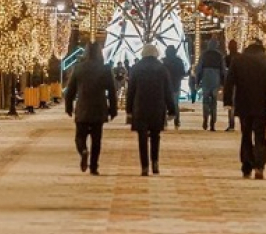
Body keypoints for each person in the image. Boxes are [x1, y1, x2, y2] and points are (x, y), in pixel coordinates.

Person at [223, 38, 266, 179]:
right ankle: (259, 166)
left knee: (245, 134)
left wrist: (228, 101)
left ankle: (246, 165)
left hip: (243, 103)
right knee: (260, 135)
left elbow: (229, 82)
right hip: (261, 104)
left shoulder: (238, 61)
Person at [64, 42, 118, 175]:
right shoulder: (105, 69)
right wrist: (113, 110)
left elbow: (70, 90)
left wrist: (69, 107)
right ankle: (94, 167)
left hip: (83, 107)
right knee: (96, 139)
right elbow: (112, 91)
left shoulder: (79, 68)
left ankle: (83, 150)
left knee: (79, 137)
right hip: (99, 108)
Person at [126, 43, 176, 176]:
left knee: (142, 138)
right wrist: (172, 109)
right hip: (157, 107)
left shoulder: (136, 68)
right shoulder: (162, 69)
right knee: (155, 136)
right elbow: (168, 91)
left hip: (140, 107)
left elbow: (131, 91)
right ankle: (155, 162)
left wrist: (129, 109)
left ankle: (144, 166)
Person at [195, 37, 226, 130]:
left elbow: (199, 69)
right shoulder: (219, 55)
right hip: (216, 79)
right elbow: (223, 70)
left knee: (205, 100)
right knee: (214, 101)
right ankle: (213, 122)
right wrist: (223, 82)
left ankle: (205, 118)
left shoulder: (204, 54)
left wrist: (197, 81)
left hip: (206, 78)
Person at [161, 45, 187, 128]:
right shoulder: (179, 61)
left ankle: (164, 121)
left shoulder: (163, 61)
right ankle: (177, 120)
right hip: (176, 84)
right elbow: (183, 73)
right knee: (175, 103)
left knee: (164, 103)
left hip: (165, 85)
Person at [224, 39, 240, 131]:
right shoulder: (240, 57)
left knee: (231, 104)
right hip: (240, 82)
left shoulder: (227, 58)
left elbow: (225, 70)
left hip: (231, 83)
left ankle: (231, 124)